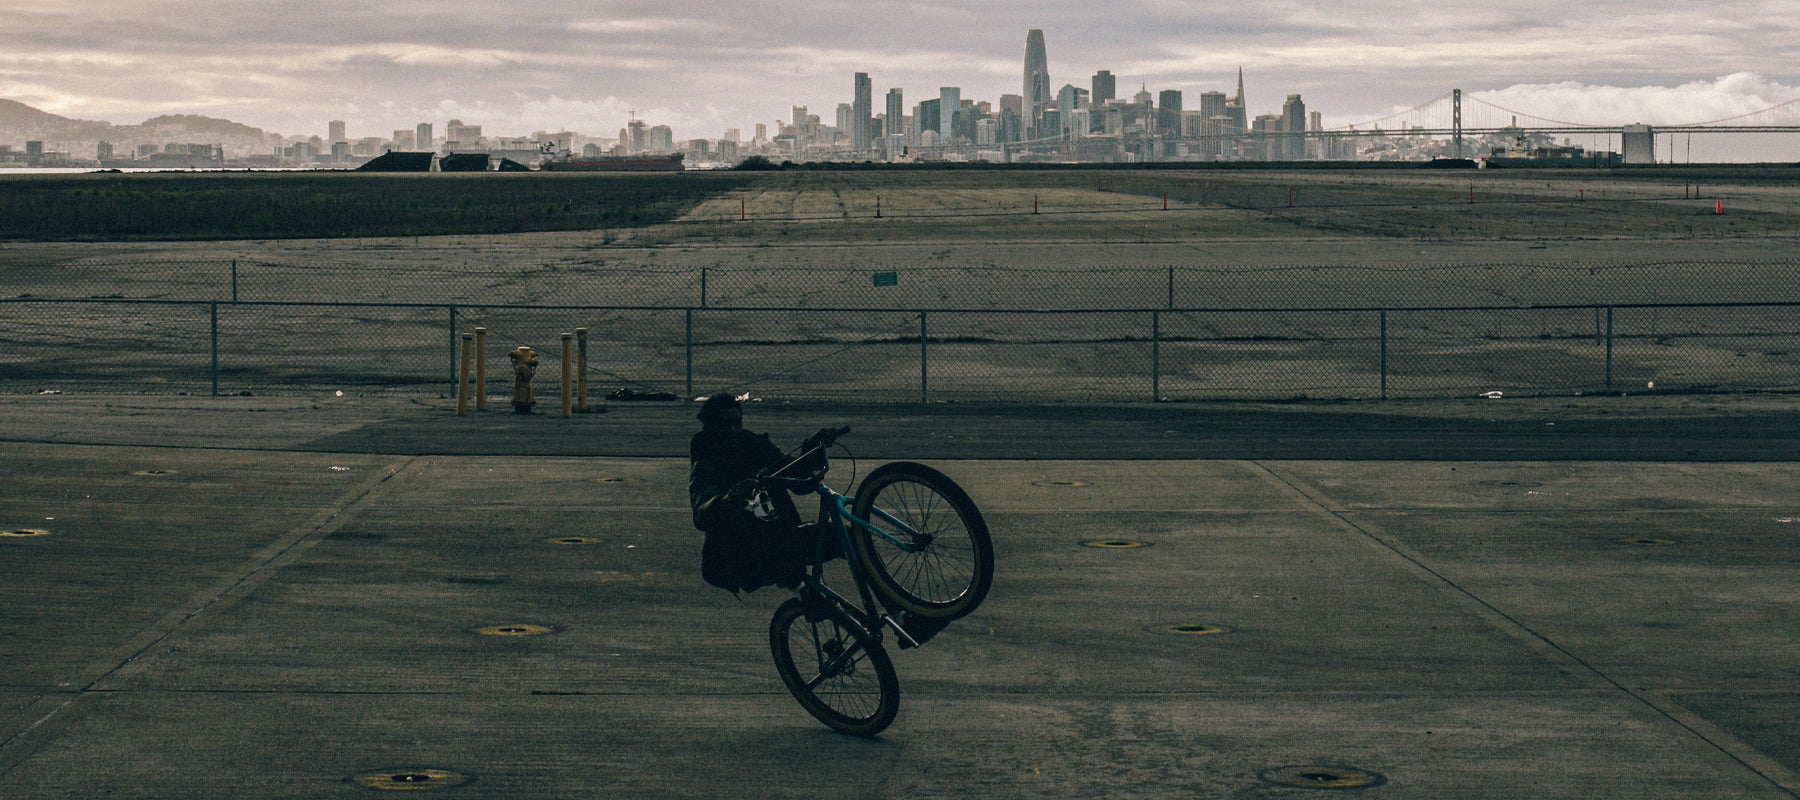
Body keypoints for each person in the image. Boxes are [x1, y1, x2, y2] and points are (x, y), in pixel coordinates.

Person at [688, 393, 838, 594]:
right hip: (737, 556)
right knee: (792, 567)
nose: (733, 430)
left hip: (781, 540)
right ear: (710, 428)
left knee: (849, 537)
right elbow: (702, 514)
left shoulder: (754, 445)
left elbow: (799, 481)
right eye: (724, 425)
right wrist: (730, 499)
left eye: (736, 423)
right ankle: (802, 590)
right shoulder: (706, 463)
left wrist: (812, 447)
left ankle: (893, 608)